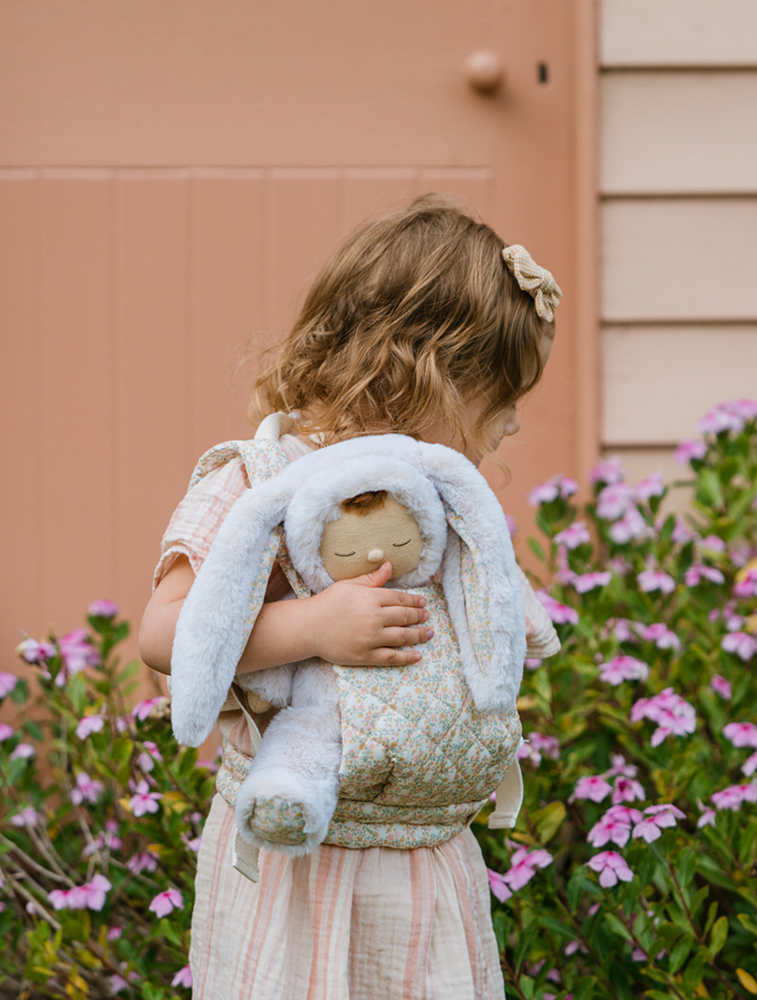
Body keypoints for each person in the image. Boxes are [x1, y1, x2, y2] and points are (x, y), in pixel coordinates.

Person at [139, 194, 561, 1000]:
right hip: (302, 857)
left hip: (424, 863)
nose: (510, 424)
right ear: (431, 370)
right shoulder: (263, 480)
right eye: (501, 396)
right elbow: (164, 634)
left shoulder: (439, 499)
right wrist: (313, 626)